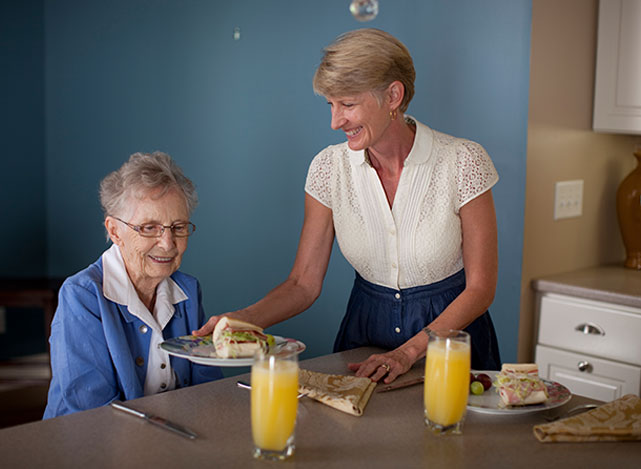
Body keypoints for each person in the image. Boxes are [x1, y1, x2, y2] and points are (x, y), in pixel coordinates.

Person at [195, 28, 501, 383]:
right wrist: (245, 318)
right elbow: (303, 283)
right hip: (364, 335)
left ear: (393, 96)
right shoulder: (328, 169)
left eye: (348, 104)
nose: (335, 121)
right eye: (331, 104)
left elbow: (481, 288)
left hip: (450, 340)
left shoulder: (463, 161)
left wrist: (409, 351)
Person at [44, 152, 222, 418]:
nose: (167, 243)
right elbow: (90, 414)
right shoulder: (82, 296)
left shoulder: (188, 292)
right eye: (149, 228)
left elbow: (210, 392)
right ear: (115, 231)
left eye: (178, 227)